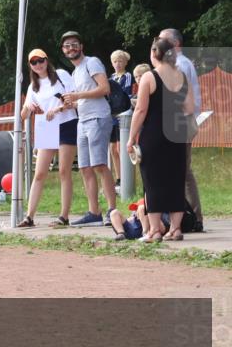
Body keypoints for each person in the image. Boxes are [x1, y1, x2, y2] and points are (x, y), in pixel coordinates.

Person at [127, 37, 192, 242]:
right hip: (177, 133)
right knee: (175, 179)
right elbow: (189, 108)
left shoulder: (149, 76)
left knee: (152, 181)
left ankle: (154, 230)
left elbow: (141, 109)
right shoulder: (181, 76)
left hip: (154, 133)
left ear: (155, 53)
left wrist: (130, 138)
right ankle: (175, 229)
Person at [59, 31, 117, 227]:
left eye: (74, 44)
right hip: (82, 121)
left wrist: (77, 96)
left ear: (81, 46)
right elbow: (83, 98)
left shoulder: (92, 62)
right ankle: (94, 212)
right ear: (63, 51)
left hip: (98, 118)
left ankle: (112, 210)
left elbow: (104, 88)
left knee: (99, 165)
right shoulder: (75, 73)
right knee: (84, 167)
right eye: (67, 46)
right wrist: (71, 104)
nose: (71, 48)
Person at [16, 49, 78, 228]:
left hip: (66, 122)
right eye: (34, 62)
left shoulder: (61, 75)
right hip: (47, 126)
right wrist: (29, 107)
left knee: (64, 171)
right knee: (40, 173)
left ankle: (64, 216)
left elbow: (73, 100)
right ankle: (29, 216)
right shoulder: (32, 86)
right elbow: (23, 114)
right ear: (30, 66)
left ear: (46, 60)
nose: (38, 65)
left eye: (40, 60)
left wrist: (57, 109)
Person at [159, 28, 203, 231]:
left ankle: (193, 217)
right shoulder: (179, 64)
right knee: (183, 171)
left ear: (175, 44)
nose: (159, 44)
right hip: (182, 120)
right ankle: (190, 216)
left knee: (182, 172)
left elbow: (179, 97)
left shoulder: (180, 64)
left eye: (163, 40)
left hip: (182, 120)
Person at [109, 50, 134, 186]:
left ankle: (126, 178)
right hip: (112, 116)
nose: (117, 64)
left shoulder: (127, 76)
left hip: (122, 114)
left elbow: (125, 91)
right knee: (113, 149)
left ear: (125, 62)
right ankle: (119, 178)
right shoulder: (111, 77)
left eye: (120, 61)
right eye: (115, 61)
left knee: (120, 148)